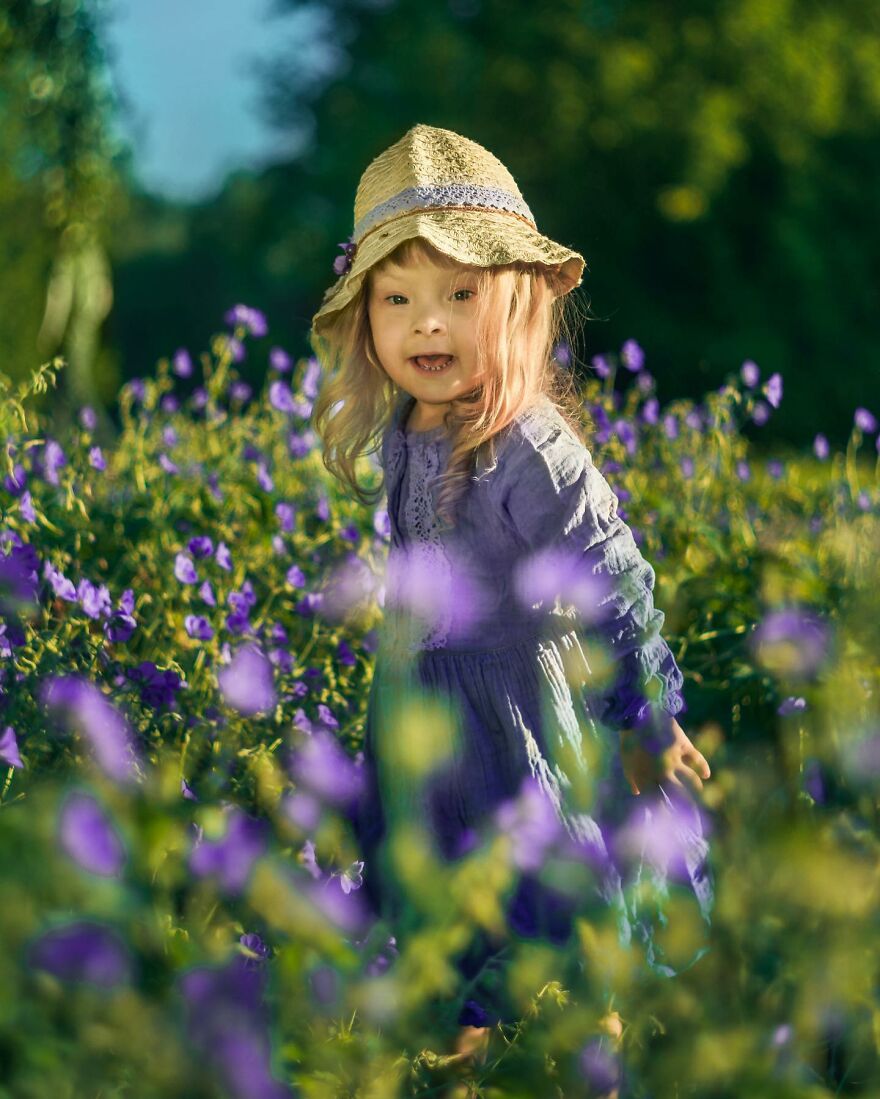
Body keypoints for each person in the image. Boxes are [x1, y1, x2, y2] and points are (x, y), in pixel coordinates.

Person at [308, 123, 714, 1088]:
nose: (428, 325)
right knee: (439, 926)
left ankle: (594, 1059)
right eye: (398, 299)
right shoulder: (406, 430)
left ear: (518, 303)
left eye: (459, 294)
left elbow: (614, 575)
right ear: (366, 317)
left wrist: (650, 719)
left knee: (554, 919)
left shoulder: (526, 444)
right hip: (428, 726)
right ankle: (453, 1066)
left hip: (521, 726)